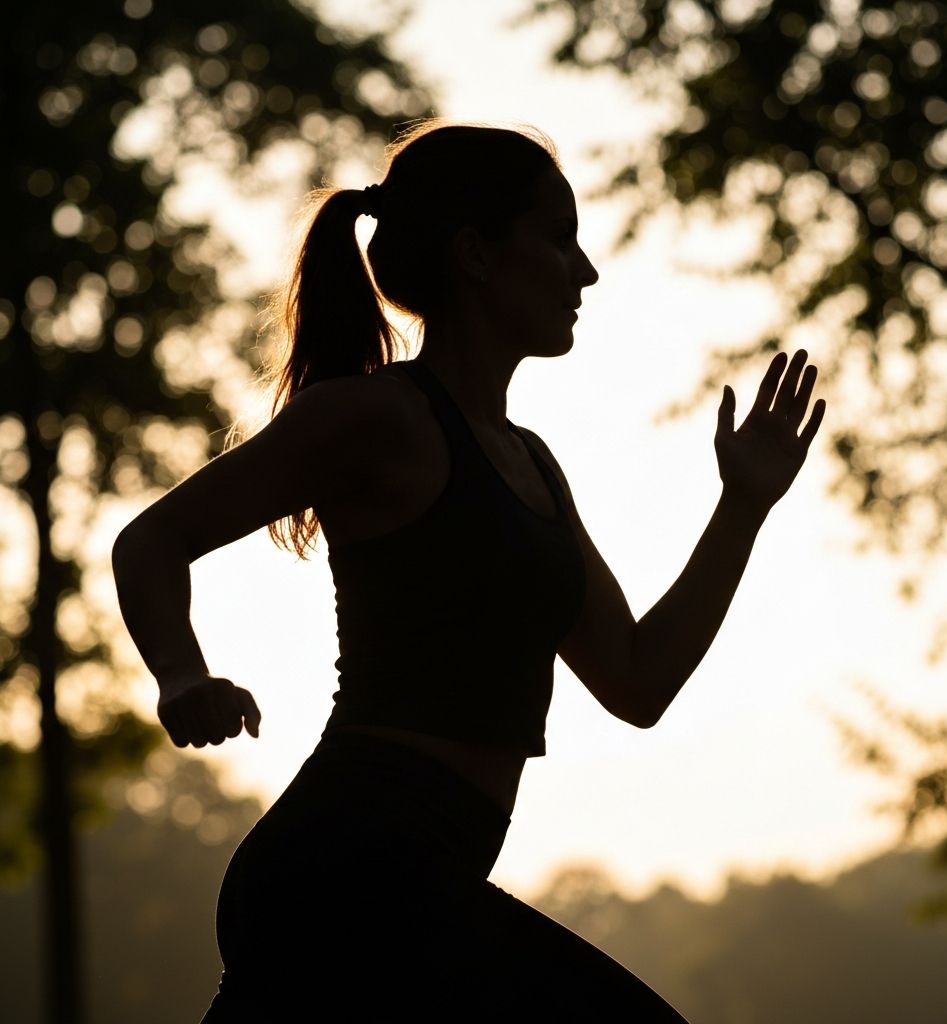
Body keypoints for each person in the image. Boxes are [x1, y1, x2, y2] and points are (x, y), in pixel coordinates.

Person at [112, 119, 825, 1021]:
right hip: (347, 873)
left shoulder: (532, 466)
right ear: (477, 256)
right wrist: (181, 675)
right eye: (560, 238)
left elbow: (638, 682)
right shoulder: (379, 419)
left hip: (422, 877)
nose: (586, 271)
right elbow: (150, 543)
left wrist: (744, 505)